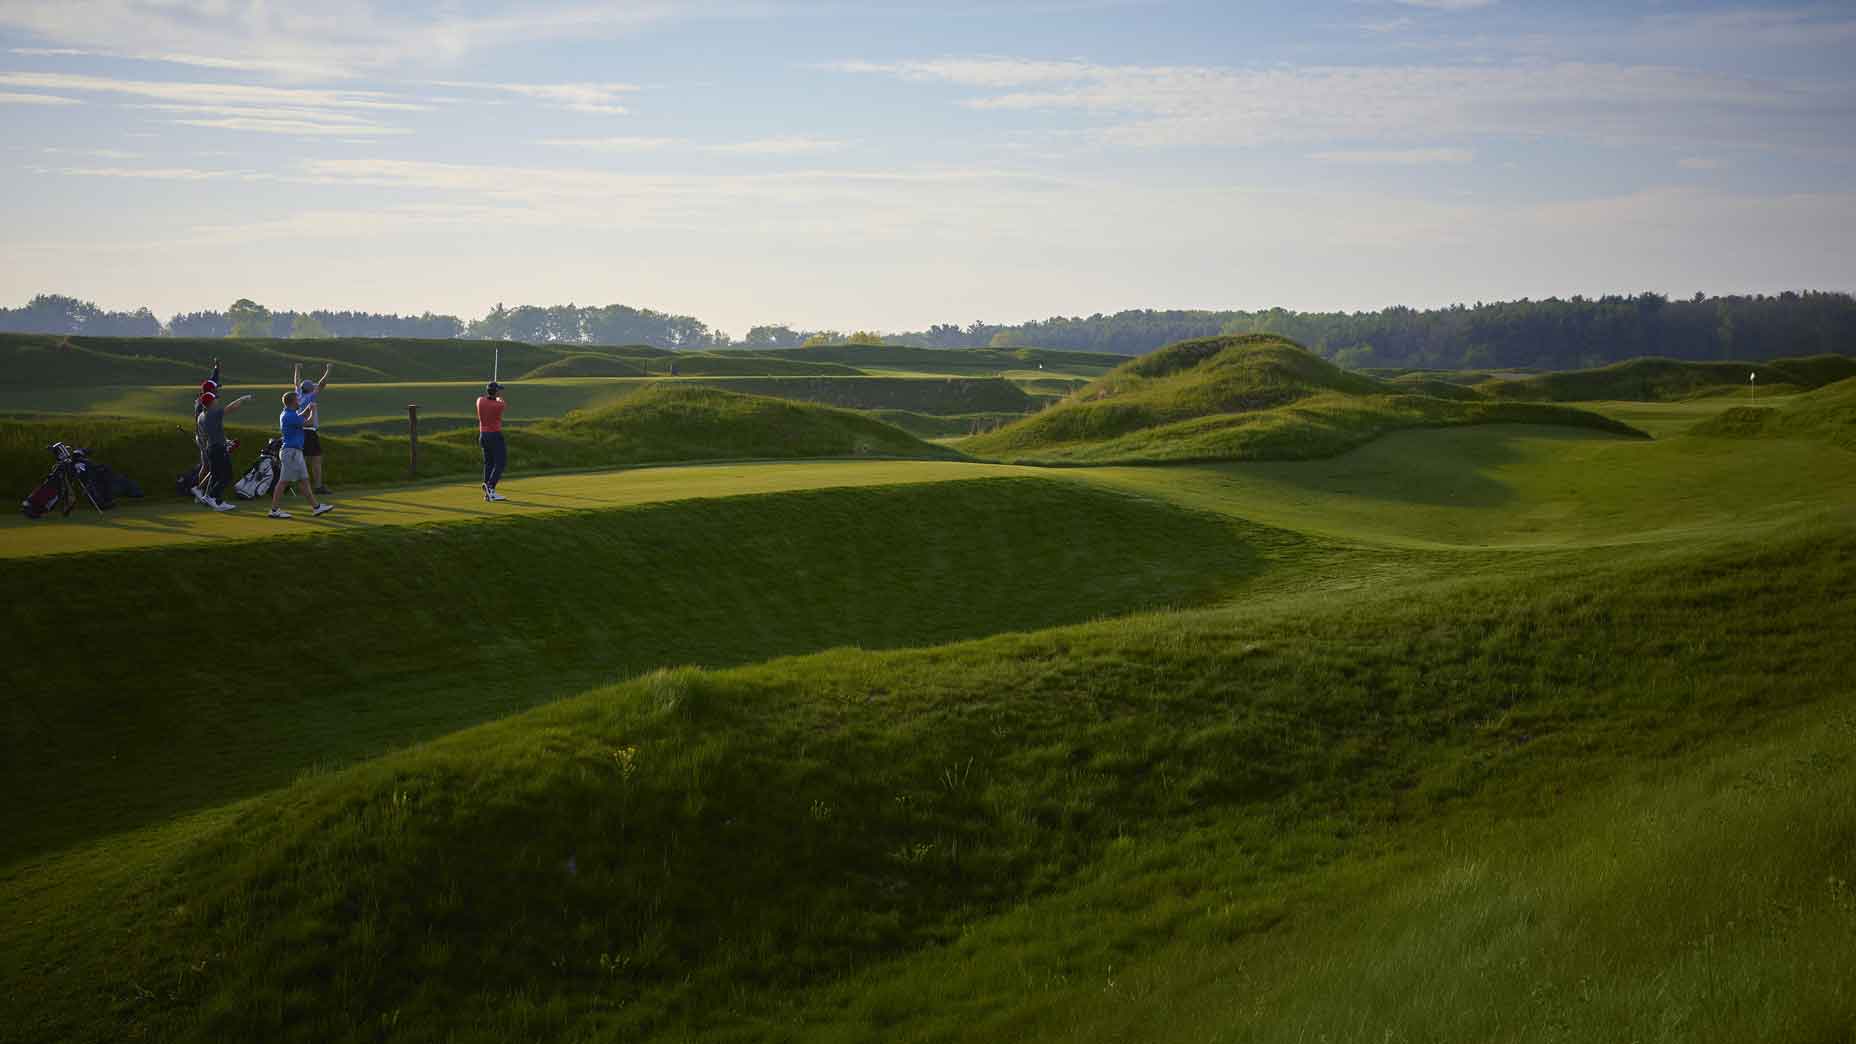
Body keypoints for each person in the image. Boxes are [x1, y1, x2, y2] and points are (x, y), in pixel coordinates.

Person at [268, 390, 334, 519]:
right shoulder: (289, 415)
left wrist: (307, 410)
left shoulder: (290, 413)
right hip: (291, 452)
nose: (300, 402)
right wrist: (313, 411)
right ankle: (274, 510)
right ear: (293, 402)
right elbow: (308, 423)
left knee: (304, 481)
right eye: (298, 400)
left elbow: (300, 417)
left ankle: (316, 507)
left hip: (295, 452)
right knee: (283, 482)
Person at [195, 389, 251, 511]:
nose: (217, 400)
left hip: (211, 448)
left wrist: (225, 441)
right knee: (227, 475)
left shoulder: (201, 416)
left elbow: (206, 434)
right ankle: (212, 496)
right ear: (211, 402)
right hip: (218, 449)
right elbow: (230, 408)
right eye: (214, 399)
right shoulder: (212, 413)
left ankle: (217, 501)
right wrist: (242, 399)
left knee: (215, 476)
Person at [292, 362, 333, 494]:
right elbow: (322, 384)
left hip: (297, 430)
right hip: (309, 432)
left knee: (301, 459)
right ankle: (318, 486)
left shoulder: (297, 395)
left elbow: (296, 382)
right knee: (316, 459)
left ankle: (300, 488)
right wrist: (328, 370)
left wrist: (297, 369)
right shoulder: (311, 397)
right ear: (310, 389)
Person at [190, 358, 221, 498]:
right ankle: (200, 491)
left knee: (207, 465)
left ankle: (201, 492)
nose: (218, 389)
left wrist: (216, 367)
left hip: (205, 437)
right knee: (209, 466)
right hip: (205, 438)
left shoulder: (207, 394)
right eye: (216, 388)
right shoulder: (203, 403)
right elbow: (208, 423)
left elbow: (213, 379)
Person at [477, 381, 508, 502]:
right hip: (495, 435)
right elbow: (502, 402)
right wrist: (498, 397)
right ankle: (490, 487)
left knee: (489, 463)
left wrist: (494, 394)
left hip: (483, 436)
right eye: (499, 390)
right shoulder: (499, 405)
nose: (500, 391)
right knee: (500, 462)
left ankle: (488, 493)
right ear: (496, 392)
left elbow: (486, 398)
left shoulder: (479, 401)